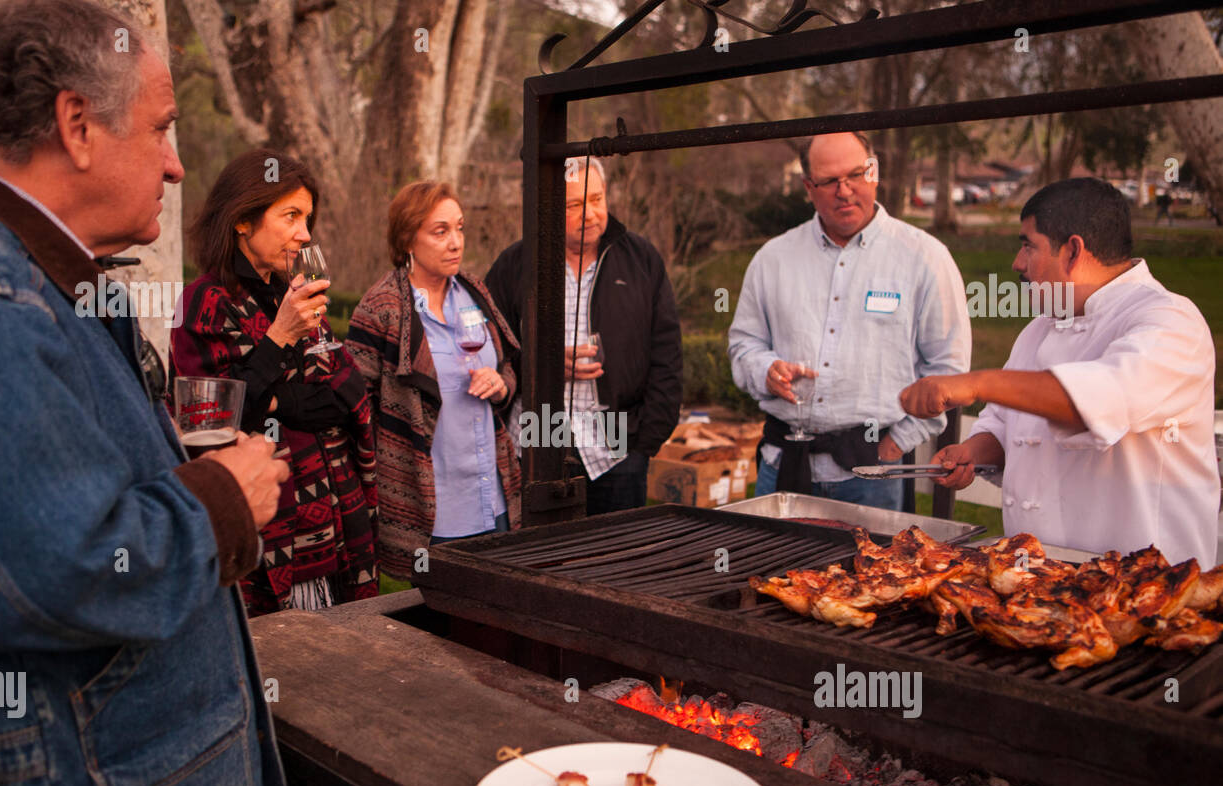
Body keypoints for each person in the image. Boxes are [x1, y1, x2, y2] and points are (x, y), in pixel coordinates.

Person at [0, 0, 301, 786]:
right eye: (164, 127)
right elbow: (62, 564)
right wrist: (221, 502)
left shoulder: (17, 274)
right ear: (77, 124)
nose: (176, 167)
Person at [901, 177, 1219, 566]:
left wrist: (974, 382)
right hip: (1043, 577)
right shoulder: (1041, 328)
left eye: (1028, 246)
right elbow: (1005, 426)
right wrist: (973, 452)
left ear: (1072, 251)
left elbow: (1091, 402)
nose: (1017, 264)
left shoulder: (1169, 322)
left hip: (1147, 586)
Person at [174, 150, 378, 615]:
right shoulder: (203, 301)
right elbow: (208, 422)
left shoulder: (291, 289)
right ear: (243, 219)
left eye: (307, 218)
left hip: (338, 521)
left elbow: (344, 385)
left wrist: (277, 399)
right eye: (290, 216)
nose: (305, 234)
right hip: (271, 534)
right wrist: (282, 338)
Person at [727, 131, 971, 510]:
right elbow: (744, 343)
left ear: (874, 172)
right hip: (784, 465)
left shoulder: (925, 259)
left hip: (874, 473)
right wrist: (764, 371)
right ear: (809, 186)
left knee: (875, 572)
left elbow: (948, 371)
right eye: (828, 181)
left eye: (855, 175)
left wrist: (897, 443)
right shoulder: (772, 259)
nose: (844, 191)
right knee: (770, 570)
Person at [485, 157, 683, 514]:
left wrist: (645, 443)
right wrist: (540, 365)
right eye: (574, 205)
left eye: (597, 199)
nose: (590, 214)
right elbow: (489, 351)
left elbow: (666, 353)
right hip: (537, 434)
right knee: (542, 559)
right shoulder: (516, 264)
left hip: (617, 442)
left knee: (616, 562)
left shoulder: (641, 259)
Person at [346, 182, 521, 578]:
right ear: (408, 238)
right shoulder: (382, 307)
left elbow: (510, 366)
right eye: (440, 232)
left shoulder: (475, 291)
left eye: (459, 228)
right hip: (430, 512)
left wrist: (501, 384)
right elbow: (354, 405)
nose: (455, 242)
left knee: (497, 625)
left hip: (493, 501)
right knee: (432, 631)